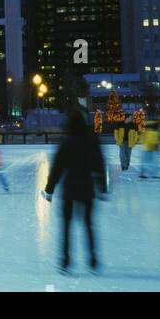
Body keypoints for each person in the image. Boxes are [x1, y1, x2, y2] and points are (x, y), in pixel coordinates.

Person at [42, 109, 107, 274]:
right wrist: (102, 188)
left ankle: (65, 262)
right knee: (88, 224)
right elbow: (99, 164)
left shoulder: (66, 142)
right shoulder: (92, 140)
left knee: (66, 226)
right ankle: (93, 260)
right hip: (86, 187)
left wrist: (49, 190)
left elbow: (57, 168)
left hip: (69, 188)